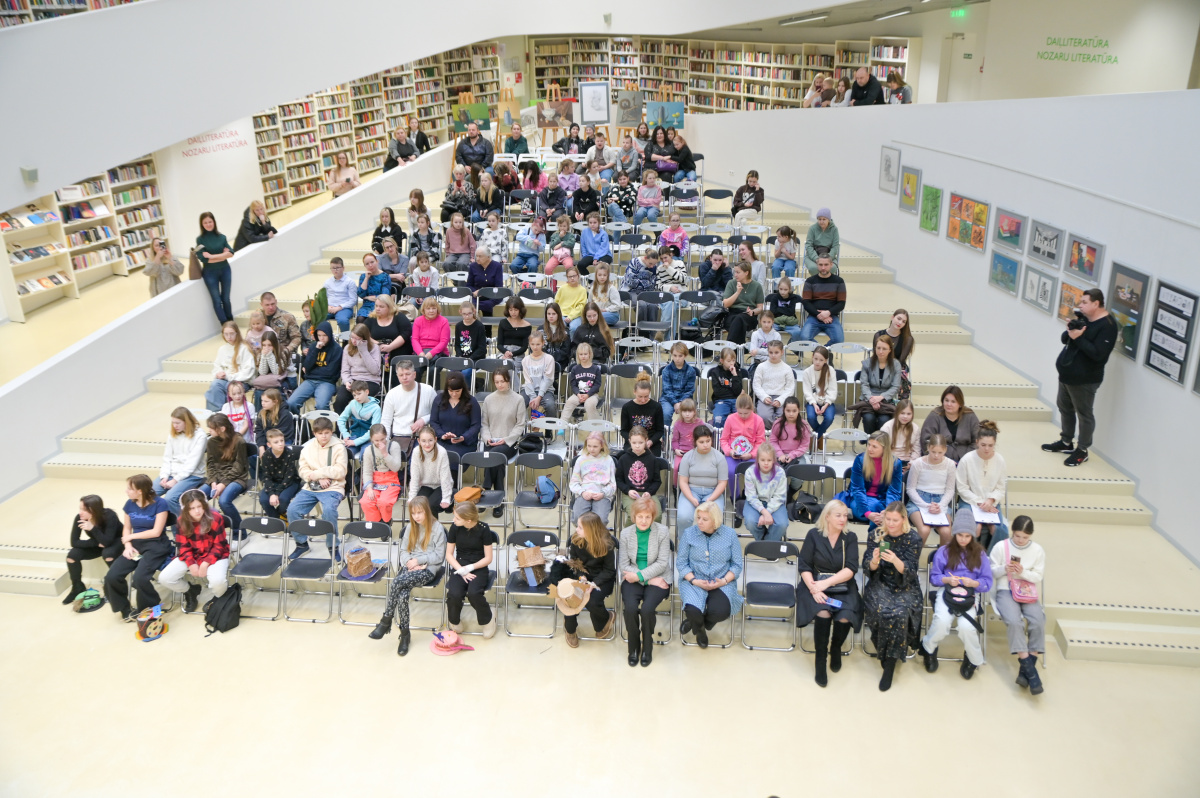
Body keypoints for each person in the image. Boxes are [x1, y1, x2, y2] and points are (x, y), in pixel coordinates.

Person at [1043, 287, 1118, 467]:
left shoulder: (1108, 326)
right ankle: (1066, 441)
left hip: (1085, 380)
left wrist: (1078, 337)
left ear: (1096, 303)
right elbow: (1065, 339)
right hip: (1067, 375)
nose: (1080, 305)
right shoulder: (1085, 319)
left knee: (1084, 415)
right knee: (1065, 408)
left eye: (1084, 302)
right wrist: (1072, 329)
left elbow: (1098, 355)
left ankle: (1082, 450)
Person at [918, 508, 994, 680]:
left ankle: (973, 659)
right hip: (946, 592)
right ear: (954, 533)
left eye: (968, 536)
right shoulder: (944, 551)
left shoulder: (980, 554)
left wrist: (974, 583)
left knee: (966, 626)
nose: (964, 539)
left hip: (970, 595)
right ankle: (929, 649)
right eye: (960, 535)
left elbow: (987, 582)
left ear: (973, 535)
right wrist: (946, 580)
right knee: (941, 622)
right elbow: (934, 578)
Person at [368, 495, 446, 655]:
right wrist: (410, 562)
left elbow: (439, 556)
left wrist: (419, 561)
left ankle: (386, 620)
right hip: (410, 566)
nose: (416, 516)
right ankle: (405, 635)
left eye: (420, 512)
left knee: (396, 582)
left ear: (427, 511)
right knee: (402, 595)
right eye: (413, 513)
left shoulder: (438, 529)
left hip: (428, 568)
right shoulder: (411, 527)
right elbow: (403, 551)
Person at [796, 500, 861, 686]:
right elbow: (804, 565)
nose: (843, 519)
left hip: (841, 584)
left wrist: (826, 584)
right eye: (838, 515)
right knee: (822, 611)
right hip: (814, 582)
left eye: (845, 515)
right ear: (827, 517)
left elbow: (851, 568)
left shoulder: (850, 537)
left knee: (845, 615)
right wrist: (814, 588)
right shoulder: (813, 535)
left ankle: (836, 648)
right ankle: (820, 660)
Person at [862, 501, 923, 691]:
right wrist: (874, 561)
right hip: (880, 581)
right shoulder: (875, 535)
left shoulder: (914, 538)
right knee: (880, 610)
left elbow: (911, 571)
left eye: (895, 520)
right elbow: (867, 567)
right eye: (888, 519)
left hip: (904, 584)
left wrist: (895, 560)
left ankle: (889, 663)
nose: (890, 523)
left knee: (901, 612)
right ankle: (887, 652)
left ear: (904, 519)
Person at [989, 515, 1046, 695]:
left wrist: (1023, 573)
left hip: (1027, 591)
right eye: (1017, 536)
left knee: (1038, 620)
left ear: (1031, 535)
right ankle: (1030, 670)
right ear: (1012, 532)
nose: (1021, 540)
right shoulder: (1001, 547)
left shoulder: (1037, 550)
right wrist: (1004, 569)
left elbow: (1038, 576)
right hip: (1005, 589)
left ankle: (1026, 670)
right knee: (1014, 622)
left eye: (1025, 537)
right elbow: (990, 571)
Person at [105, 474, 172, 620]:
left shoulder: (160, 504)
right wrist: (128, 545)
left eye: (130, 489)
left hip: (156, 546)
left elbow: (156, 531)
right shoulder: (129, 504)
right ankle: (125, 609)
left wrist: (131, 537)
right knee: (112, 576)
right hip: (136, 547)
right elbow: (126, 528)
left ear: (140, 491)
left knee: (140, 578)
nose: (126, 491)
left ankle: (149, 609)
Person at [677, 501, 743, 648]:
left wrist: (724, 581)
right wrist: (694, 580)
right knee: (692, 610)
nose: (699, 522)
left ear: (715, 521)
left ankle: (696, 622)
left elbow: (737, 565)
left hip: (721, 581)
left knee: (721, 612)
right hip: (695, 580)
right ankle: (700, 631)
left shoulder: (730, 535)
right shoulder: (689, 534)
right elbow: (681, 563)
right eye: (698, 517)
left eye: (705, 519)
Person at [618, 496, 672, 666]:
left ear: (653, 517)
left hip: (659, 577)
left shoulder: (662, 531)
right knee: (630, 609)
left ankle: (647, 647)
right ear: (634, 517)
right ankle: (633, 648)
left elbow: (662, 563)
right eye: (640, 516)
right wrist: (647, 580)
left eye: (647, 517)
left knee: (647, 610)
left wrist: (641, 577)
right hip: (634, 578)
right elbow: (624, 565)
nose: (643, 521)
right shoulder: (625, 533)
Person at [157, 490, 230, 612]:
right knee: (165, 578)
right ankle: (190, 590)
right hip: (193, 554)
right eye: (192, 508)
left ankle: (218, 598)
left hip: (216, 555)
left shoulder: (215, 518)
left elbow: (219, 546)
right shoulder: (181, 520)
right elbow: (183, 546)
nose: (197, 511)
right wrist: (191, 563)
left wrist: (205, 563)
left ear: (204, 505)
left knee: (218, 581)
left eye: (199, 506)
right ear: (186, 510)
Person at [287, 416, 348, 560]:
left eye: (327, 433)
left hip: (333, 487)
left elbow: (340, 471)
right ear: (315, 433)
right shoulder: (307, 448)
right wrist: (316, 477)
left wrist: (319, 473)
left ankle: (332, 546)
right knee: (292, 510)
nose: (324, 436)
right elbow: (303, 470)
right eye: (320, 433)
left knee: (329, 511)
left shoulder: (339, 447)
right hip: (311, 486)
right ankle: (301, 544)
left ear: (332, 432)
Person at [559, 513, 618, 647]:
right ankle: (570, 630)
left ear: (591, 530)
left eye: (580, 527)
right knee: (570, 597)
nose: (576, 529)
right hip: (581, 575)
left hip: (602, 578)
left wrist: (594, 583)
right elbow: (574, 562)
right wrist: (581, 576)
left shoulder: (607, 544)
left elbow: (609, 570)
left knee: (592, 600)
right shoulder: (575, 539)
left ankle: (605, 619)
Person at [445, 501, 498, 638]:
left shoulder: (484, 529)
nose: (454, 520)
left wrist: (470, 568)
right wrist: (461, 570)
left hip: (478, 566)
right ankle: (454, 620)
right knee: (454, 594)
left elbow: (488, 558)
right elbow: (449, 554)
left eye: (457, 518)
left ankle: (488, 619)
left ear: (468, 520)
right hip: (459, 565)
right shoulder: (455, 527)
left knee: (474, 593)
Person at [957, 419, 1008, 548]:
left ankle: (990, 558)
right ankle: (969, 558)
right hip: (969, 501)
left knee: (998, 529)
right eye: (983, 444)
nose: (986, 448)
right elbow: (962, 488)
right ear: (977, 442)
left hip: (991, 502)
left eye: (990, 445)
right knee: (975, 527)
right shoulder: (967, 459)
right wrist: (980, 502)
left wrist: (990, 501)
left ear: (995, 444)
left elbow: (1000, 488)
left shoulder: (1000, 460)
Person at [62, 494, 123, 604]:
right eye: (80, 509)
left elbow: (108, 541)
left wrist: (92, 528)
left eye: (84, 510)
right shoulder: (79, 518)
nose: (80, 512)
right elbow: (74, 542)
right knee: (72, 556)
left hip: (116, 541)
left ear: (94, 510)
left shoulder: (110, 516)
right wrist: (96, 543)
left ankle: (114, 587)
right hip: (99, 543)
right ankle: (77, 587)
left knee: (108, 554)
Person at [480, 368, 524, 513]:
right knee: (497, 461)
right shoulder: (489, 399)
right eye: (497, 382)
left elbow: (520, 425)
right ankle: (500, 501)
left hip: (510, 443)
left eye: (502, 381)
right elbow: (484, 424)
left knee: (494, 457)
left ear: (508, 380)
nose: (500, 385)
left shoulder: (518, 399)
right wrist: (487, 438)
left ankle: (485, 490)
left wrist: (506, 440)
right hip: (491, 442)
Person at [840, 431, 904, 525]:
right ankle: (880, 522)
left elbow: (894, 491)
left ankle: (880, 520)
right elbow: (857, 489)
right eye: (869, 445)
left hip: (882, 500)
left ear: (884, 448)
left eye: (874, 446)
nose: (870, 449)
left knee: (878, 508)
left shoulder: (895, 463)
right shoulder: (860, 460)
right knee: (874, 509)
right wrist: (867, 513)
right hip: (859, 500)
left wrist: (888, 510)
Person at [200, 412, 249, 534]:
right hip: (217, 478)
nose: (209, 430)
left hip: (237, 478)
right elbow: (210, 464)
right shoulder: (211, 442)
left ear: (222, 429)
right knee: (197, 497)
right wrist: (213, 482)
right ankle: (209, 526)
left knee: (224, 501)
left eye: (212, 428)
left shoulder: (239, 441)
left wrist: (223, 484)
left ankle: (240, 532)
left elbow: (239, 467)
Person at [906, 433, 957, 545]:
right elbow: (910, 489)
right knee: (924, 530)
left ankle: (941, 556)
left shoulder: (950, 464)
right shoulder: (918, 463)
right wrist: (925, 505)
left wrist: (941, 505)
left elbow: (950, 490)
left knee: (946, 532)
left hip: (940, 501)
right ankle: (913, 556)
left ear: (945, 450)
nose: (936, 456)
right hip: (919, 501)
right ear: (928, 447)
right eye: (933, 452)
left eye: (940, 452)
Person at [155, 407, 207, 515]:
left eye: (178, 423)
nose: (175, 426)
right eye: (173, 423)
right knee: (148, 494)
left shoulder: (200, 436)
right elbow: (167, 458)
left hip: (192, 475)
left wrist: (175, 480)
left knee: (170, 498)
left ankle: (187, 523)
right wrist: (164, 476)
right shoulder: (173, 434)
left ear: (186, 422)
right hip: (171, 473)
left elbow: (191, 464)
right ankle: (159, 524)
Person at [677, 425, 727, 530]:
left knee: (714, 518)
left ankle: (710, 541)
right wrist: (691, 498)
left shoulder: (719, 457)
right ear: (695, 442)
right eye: (701, 442)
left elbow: (722, 482)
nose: (705, 445)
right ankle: (684, 540)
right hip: (691, 491)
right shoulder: (688, 456)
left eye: (708, 441)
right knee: (683, 517)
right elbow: (683, 481)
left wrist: (711, 499)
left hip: (713, 492)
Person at [287, 321, 341, 413]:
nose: (321, 338)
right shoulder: (313, 347)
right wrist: (316, 350)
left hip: (327, 382)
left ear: (329, 334)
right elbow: (307, 366)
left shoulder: (337, 349)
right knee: (291, 403)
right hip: (310, 381)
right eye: (319, 335)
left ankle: (324, 423)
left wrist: (311, 371)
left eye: (324, 335)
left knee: (321, 405)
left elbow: (330, 371)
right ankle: (299, 421)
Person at [919, 385, 980, 462]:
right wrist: (940, 459)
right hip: (939, 460)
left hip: (967, 460)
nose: (949, 404)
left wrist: (967, 458)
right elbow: (926, 441)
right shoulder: (934, 415)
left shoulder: (970, 416)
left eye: (953, 401)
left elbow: (978, 440)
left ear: (960, 404)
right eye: (946, 400)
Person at [856, 335, 901, 434]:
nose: (881, 351)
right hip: (868, 399)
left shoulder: (896, 365)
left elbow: (895, 386)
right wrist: (871, 399)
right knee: (868, 418)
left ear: (890, 350)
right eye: (878, 348)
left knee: (883, 420)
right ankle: (870, 441)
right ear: (875, 348)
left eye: (884, 349)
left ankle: (880, 442)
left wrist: (881, 397)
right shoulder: (867, 363)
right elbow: (864, 384)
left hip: (886, 400)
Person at [617, 426, 662, 522]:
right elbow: (619, 480)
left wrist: (649, 492)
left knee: (656, 515)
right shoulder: (623, 459)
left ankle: (652, 532)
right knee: (635, 516)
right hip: (630, 494)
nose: (637, 446)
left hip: (648, 494)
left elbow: (657, 481)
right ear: (629, 441)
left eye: (640, 443)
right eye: (634, 443)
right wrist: (628, 491)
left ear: (646, 441)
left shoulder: (652, 459)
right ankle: (630, 532)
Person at [745, 443, 789, 541]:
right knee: (750, 522)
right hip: (755, 502)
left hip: (774, 502)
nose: (766, 463)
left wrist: (768, 512)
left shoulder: (780, 472)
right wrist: (764, 512)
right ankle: (766, 542)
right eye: (763, 460)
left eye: (769, 460)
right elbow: (751, 497)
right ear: (757, 460)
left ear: (774, 460)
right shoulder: (750, 472)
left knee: (782, 524)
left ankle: (767, 543)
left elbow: (779, 497)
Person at [195, 211, 234, 323]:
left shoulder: (222, 237)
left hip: (225, 270)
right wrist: (223, 255)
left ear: (214, 222)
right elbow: (203, 259)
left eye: (210, 221)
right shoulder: (200, 239)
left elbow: (231, 253)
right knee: (217, 300)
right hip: (210, 273)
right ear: (202, 224)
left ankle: (231, 323)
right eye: (205, 222)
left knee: (226, 299)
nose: (208, 224)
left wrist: (212, 256)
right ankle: (224, 325)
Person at [381, 359, 433, 441]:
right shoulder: (391, 394)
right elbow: (386, 421)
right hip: (398, 437)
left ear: (414, 374)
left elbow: (437, 415)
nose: (404, 377)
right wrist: (386, 442)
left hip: (421, 438)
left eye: (408, 374)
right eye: (401, 375)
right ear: (397, 376)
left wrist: (424, 420)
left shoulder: (428, 390)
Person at [430, 373, 480, 458]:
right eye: (451, 391)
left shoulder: (472, 401)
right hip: (442, 442)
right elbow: (433, 422)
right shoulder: (439, 399)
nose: (454, 394)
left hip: (464, 444)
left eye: (457, 391)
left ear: (463, 389)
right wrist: (442, 435)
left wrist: (464, 437)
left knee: (452, 457)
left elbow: (476, 425)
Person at [570, 432, 617, 523]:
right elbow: (574, 482)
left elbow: (612, 484)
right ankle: (584, 532)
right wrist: (582, 492)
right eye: (589, 446)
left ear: (602, 446)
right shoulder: (581, 459)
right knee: (578, 518)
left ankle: (596, 532)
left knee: (601, 520)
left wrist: (603, 493)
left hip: (602, 494)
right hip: (584, 493)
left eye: (595, 446)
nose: (591, 449)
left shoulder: (608, 460)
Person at [800, 254, 846, 344]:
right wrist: (819, 315)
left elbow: (841, 303)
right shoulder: (810, 281)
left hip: (831, 317)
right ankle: (821, 351)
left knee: (839, 340)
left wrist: (828, 313)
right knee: (804, 338)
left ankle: (821, 352)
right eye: (820, 265)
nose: (823, 268)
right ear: (817, 265)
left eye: (826, 265)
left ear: (831, 265)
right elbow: (806, 302)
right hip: (814, 316)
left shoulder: (839, 281)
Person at [721, 392, 766, 486]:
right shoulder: (730, 419)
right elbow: (724, 439)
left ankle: (748, 494)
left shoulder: (758, 420)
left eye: (746, 413)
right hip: (733, 455)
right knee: (730, 471)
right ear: (736, 409)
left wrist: (751, 455)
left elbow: (760, 442)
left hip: (751, 455)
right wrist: (730, 452)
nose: (743, 416)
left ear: (752, 409)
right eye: (740, 413)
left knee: (753, 472)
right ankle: (735, 494)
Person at [335, 326, 382, 414]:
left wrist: (363, 350)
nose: (354, 341)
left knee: (360, 400)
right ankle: (342, 422)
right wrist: (347, 381)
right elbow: (345, 370)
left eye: (357, 339)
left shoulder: (374, 348)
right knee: (339, 400)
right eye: (352, 337)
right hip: (353, 380)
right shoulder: (347, 348)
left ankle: (359, 422)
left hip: (370, 380)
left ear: (364, 339)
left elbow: (375, 371)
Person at [408, 425, 454, 515]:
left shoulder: (442, 452)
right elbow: (414, 477)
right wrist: (412, 497)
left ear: (435, 439)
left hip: (441, 486)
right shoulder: (416, 452)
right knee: (419, 505)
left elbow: (445, 477)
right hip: (426, 485)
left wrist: (446, 497)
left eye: (430, 440)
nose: (427, 444)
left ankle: (434, 525)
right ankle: (422, 524)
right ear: (419, 441)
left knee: (431, 505)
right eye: (424, 441)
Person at [258, 428, 300, 520]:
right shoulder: (266, 455)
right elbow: (266, 476)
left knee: (283, 499)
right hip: (273, 482)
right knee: (264, 500)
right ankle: (277, 520)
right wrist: (271, 493)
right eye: (276, 442)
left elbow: (289, 476)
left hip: (290, 482)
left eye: (282, 440)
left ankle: (281, 516)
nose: (280, 444)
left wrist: (276, 494)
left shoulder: (289, 453)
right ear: (269, 445)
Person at [620, 373, 665, 456]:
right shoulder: (627, 407)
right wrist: (634, 442)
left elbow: (660, 430)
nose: (643, 400)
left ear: (650, 392)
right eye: (640, 396)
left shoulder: (656, 407)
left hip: (651, 443)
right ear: (634, 392)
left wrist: (651, 441)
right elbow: (623, 431)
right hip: (633, 443)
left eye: (646, 396)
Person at [802, 345, 838, 447]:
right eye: (816, 359)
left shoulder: (830, 371)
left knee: (829, 418)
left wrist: (826, 405)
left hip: (827, 401)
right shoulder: (807, 372)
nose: (817, 362)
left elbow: (833, 391)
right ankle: (821, 436)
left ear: (825, 361)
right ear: (812, 357)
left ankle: (815, 437)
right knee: (810, 417)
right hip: (812, 401)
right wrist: (814, 404)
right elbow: (807, 392)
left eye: (821, 360)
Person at [752, 340, 794, 427]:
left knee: (784, 416)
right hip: (766, 397)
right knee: (763, 417)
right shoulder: (761, 367)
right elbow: (756, 385)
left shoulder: (787, 368)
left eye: (776, 352)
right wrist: (764, 397)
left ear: (782, 352)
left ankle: (776, 431)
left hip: (782, 397)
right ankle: (776, 430)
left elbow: (790, 388)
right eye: (771, 352)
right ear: (768, 352)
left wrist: (780, 400)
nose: (773, 355)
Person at [723, 260, 766, 345]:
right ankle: (740, 348)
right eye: (735, 272)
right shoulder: (731, 283)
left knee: (739, 319)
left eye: (738, 272)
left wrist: (753, 311)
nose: (735, 275)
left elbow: (760, 308)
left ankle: (730, 348)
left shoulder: (757, 286)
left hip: (749, 314)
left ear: (746, 273)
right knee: (737, 320)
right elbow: (726, 304)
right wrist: (737, 292)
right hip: (733, 313)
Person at [336, 380, 381, 459]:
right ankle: (348, 468)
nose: (357, 397)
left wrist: (355, 442)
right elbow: (341, 419)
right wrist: (345, 434)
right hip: (354, 436)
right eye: (354, 395)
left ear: (367, 392)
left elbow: (373, 430)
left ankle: (363, 467)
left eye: (359, 394)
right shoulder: (353, 403)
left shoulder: (376, 408)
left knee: (365, 454)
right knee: (343, 452)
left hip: (368, 439)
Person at [875, 308, 914, 398]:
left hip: (898, 367)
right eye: (898, 319)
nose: (900, 322)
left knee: (899, 383)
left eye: (903, 321)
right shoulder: (878, 335)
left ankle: (895, 403)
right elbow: (876, 355)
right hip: (880, 365)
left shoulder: (907, 339)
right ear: (892, 317)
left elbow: (901, 361)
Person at [366, 295, 412, 371]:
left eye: (381, 307)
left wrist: (390, 347)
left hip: (398, 352)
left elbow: (405, 333)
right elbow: (363, 334)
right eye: (376, 306)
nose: (377, 309)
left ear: (389, 307)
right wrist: (378, 344)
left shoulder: (399, 317)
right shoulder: (371, 318)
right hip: (377, 351)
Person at [561, 342, 603, 421]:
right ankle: (562, 424)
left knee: (589, 404)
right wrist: (578, 394)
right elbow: (573, 385)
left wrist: (588, 395)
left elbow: (597, 385)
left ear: (590, 354)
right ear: (578, 355)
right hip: (578, 394)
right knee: (569, 402)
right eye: (581, 354)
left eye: (585, 354)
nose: (583, 356)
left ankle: (594, 426)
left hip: (592, 395)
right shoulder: (575, 369)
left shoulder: (595, 369)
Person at [260, 291, 302, 368]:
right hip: (263, 354)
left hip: (282, 354)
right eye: (267, 305)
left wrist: (288, 349)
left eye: (272, 304)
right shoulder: (258, 318)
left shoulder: (287, 317)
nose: (270, 307)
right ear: (261, 304)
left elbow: (297, 337)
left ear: (276, 301)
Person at [660, 342, 698, 426]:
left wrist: (680, 402)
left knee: (690, 415)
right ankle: (665, 434)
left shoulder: (691, 371)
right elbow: (667, 390)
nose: (677, 359)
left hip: (685, 399)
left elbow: (689, 390)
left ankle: (686, 433)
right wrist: (675, 403)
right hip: (668, 398)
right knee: (665, 414)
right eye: (675, 355)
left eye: (680, 356)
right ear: (671, 355)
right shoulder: (666, 370)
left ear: (685, 355)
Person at [521, 331, 558, 418]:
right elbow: (528, 380)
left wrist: (539, 397)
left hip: (546, 390)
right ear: (529, 344)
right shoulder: (525, 360)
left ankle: (549, 426)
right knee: (519, 403)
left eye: (538, 344)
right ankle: (522, 426)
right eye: (532, 344)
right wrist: (533, 397)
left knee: (550, 406)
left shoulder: (549, 358)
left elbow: (547, 380)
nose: (535, 347)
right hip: (529, 390)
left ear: (543, 343)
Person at [708, 347, 746, 427]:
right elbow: (718, 392)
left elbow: (737, 391)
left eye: (733, 360)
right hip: (721, 400)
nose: (732, 363)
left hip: (736, 400)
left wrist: (734, 375)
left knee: (742, 418)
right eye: (728, 361)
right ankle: (719, 434)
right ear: (722, 361)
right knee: (718, 420)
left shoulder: (737, 371)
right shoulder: (715, 372)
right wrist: (734, 392)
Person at [581, 251, 619, 327]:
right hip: (596, 313)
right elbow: (590, 302)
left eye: (604, 275)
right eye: (600, 275)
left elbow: (617, 305)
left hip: (611, 314)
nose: (602, 277)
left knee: (595, 317)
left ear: (608, 276)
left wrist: (605, 310)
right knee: (589, 317)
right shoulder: (593, 288)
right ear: (596, 275)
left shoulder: (611, 288)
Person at [771, 396, 812, 467]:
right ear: (783, 410)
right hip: (779, 455)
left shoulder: (804, 425)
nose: (791, 414)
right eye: (788, 411)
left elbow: (804, 445)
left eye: (794, 411)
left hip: (797, 456)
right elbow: (773, 442)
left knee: (799, 471)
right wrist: (780, 454)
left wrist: (792, 455)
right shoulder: (777, 424)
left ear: (799, 410)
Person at [880, 399, 919, 471]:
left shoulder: (915, 428)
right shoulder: (887, 427)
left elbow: (916, 450)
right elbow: (882, 449)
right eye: (902, 413)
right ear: (897, 413)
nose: (905, 416)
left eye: (909, 414)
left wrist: (912, 463)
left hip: (907, 462)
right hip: (891, 461)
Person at [467, 246, 504, 317]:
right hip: (477, 295)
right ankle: (475, 322)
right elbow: (469, 285)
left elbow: (499, 286)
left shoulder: (497, 266)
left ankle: (487, 324)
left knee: (487, 304)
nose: (477, 258)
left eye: (480, 256)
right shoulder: (473, 266)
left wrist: (484, 292)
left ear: (488, 257)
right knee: (472, 305)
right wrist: (474, 292)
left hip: (493, 295)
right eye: (476, 256)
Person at [323, 258, 358, 331]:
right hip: (329, 308)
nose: (335, 270)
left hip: (344, 308)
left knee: (343, 321)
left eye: (337, 268)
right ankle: (323, 337)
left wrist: (339, 307)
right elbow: (323, 298)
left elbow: (353, 300)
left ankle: (345, 337)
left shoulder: (350, 282)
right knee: (317, 318)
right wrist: (327, 306)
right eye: (333, 268)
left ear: (343, 268)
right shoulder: (327, 282)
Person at [803, 208, 840, 276]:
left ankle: (827, 283)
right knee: (813, 268)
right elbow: (809, 245)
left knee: (832, 268)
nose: (821, 221)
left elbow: (835, 246)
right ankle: (816, 283)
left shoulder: (834, 229)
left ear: (828, 219)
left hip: (828, 254)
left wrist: (828, 258)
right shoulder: (812, 228)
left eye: (824, 219)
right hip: (813, 256)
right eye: (819, 219)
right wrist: (816, 259)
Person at [411, 296, 450, 360]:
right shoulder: (417, 321)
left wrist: (432, 353)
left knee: (431, 364)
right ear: (424, 310)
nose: (431, 311)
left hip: (438, 352)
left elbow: (444, 341)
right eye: (428, 308)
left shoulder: (444, 321)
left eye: (434, 308)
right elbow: (415, 339)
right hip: (421, 352)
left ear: (437, 309)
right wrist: (420, 353)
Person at [219, 381, 255, 446]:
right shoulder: (226, 406)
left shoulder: (249, 406)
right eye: (234, 394)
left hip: (244, 441)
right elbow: (224, 424)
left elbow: (246, 425)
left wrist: (236, 438)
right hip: (229, 439)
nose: (237, 396)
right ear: (229, 394)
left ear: (243, 392)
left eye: (239, 393)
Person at [670, 398, 702, 471]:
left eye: (690, 411)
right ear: (681, 412)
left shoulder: (699, 423)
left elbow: (703, 437)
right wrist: (676, 450)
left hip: (696, 452)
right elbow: (675, 440)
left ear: (694, 412)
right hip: (682, 453)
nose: (687, 414)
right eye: (684, 411)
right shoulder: (677, 424)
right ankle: (677, 479)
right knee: (677, 468)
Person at [498, 296, 533, 360]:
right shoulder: (503, 323)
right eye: (511, 310)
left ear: (520, 310)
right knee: (503, 364)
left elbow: (524, 347)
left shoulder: (527, 326)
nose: (513, 312)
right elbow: (499, 344)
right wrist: (506, 352)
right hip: (504, 352)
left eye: (516, 310)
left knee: (514, 364)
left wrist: (513, 354)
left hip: (518, 354)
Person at [545, 217, 577, 288]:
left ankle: (569, 286)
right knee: (547, 268)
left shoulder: (570, 235)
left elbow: (571, 244)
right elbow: (552, 246)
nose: (562, 228)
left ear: (568, 226)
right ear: (558, 226)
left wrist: (561, 244)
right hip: (556, 256)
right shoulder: (554, 235)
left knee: (569, 267)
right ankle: (553, 287)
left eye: (564, 226)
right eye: (561, 226)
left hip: (567, 256)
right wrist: (559, 237)